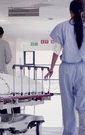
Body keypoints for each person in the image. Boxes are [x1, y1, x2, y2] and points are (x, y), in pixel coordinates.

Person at [44, 1, 85, 134]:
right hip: (83, 69)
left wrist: (51, 69)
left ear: (70, 11)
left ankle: (69, 132)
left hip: (66, 69)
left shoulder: (61, 27)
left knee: (68, 105)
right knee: (83, 105)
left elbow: (56, 50)